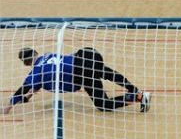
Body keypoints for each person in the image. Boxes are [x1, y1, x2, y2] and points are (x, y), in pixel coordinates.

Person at [2, 47, 151, 114]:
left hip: (80, 73)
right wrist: (28, 96)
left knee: (102, 105)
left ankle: (138, 97)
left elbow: (22, 89)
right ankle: (136, 91)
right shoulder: (47, 55)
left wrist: (8, 108)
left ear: (25, 63)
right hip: (86, 53)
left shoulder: (34, 74)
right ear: (36, 52)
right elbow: (37, 85)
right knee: (108, 73)